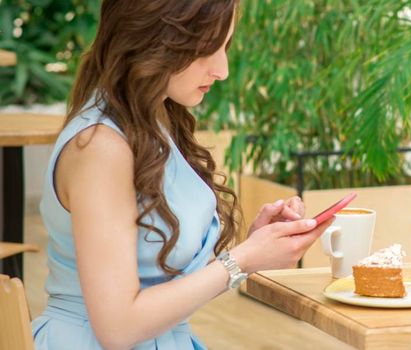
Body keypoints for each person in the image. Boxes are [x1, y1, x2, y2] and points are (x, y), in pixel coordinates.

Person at [30, 1, 335, 348]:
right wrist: (241, 260)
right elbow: (118, 329)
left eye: (225, 46)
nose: (222, 70)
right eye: (206, 50)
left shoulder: (154, 120)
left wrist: (253, 250)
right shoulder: (102, 147)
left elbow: (161, 285)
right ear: (154, 40)